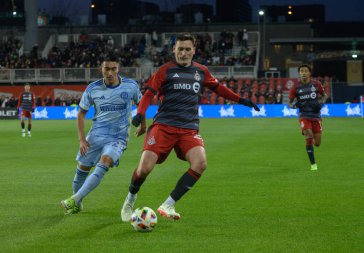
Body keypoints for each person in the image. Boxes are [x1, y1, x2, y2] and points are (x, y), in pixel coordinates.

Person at [120, 33, 260, 222]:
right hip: (163, 126)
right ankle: (130, 199)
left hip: (188, 129)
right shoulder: (165, 70)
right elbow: (148, 93)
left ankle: (168, 204)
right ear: (174, 50)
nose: (183, 53)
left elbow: (219, 88)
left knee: (200, 163)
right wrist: (140, 113)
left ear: (194, 50)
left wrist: (241, 99)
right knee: (144, 169)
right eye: (180, 49)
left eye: (187, 49)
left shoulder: (201, 71)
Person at [60, 56, 142, 215]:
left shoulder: (130, 86)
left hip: (118, 137)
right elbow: (81, 114)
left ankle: (75, 198)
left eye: (113, 69)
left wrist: (143, 124)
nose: (110, 72)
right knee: (82, 170)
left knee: (104, 163)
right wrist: (82, 140)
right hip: (95, 135)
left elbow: (141, 104)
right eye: (107, 69)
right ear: (101, 69)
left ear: (118, 69)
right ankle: (78, 204)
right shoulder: (93, 88)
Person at [288, 64, 328, 171]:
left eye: (305, 71)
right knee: (308, 134)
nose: (303, 73)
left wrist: (321, 103)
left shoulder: (316, 84)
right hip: (304, 116)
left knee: (318, 143)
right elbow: (290, 104)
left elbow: (325, 96)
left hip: (316, 116)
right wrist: (295, 106)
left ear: (309, 73)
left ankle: (309, 137)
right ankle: (313, 165)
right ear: (299, 73)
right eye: (301, 71)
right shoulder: (295, 88)